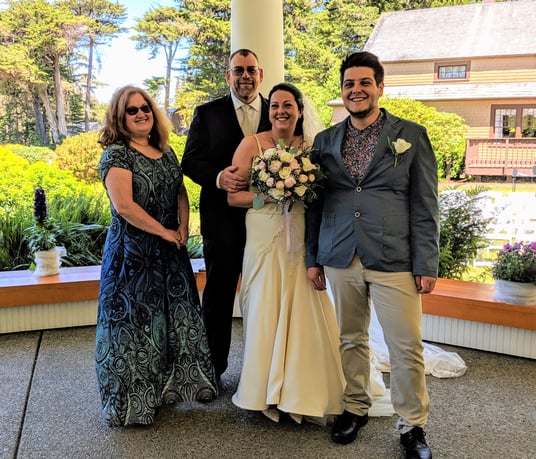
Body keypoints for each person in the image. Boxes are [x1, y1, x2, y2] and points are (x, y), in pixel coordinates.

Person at [305, 51, 439, 459]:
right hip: (340, 253)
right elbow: (314, 203)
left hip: (395, 255)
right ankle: (355, 407)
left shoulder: (410, 136)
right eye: (349, 84)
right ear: (342, 91)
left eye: (365, 82)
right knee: (350, 338)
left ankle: (412, 426)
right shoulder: (324, 142)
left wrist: (425, 263)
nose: (357, 90)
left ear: (380, 87)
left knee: (406, 345)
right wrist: (313, 257)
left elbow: (426, 204)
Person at [95, 85, 217, 427]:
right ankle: (133, 404)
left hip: (170, 253)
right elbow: (124, 207)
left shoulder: (164, 150)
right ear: (120, 118)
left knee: (171, 323)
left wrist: (181, 225)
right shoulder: (117, 155)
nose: (140, 114)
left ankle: (167, 390)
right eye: (131, 110)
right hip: (133, 257)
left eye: (145, 108)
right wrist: (163, 232)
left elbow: (179, 189)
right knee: (135, 329)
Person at [227, 82, 346, 423]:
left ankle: (299, 390)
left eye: (288, 105)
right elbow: (233, 196)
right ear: (269, 111)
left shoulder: (312, 147)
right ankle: (263, 389)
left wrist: (297, 189)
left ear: (299, 110)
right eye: (275, 105)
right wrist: (269, 196)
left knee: (302, 305)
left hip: (299, 232)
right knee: (264, 304)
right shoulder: (251, 144)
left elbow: (322, 197)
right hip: (263, 231)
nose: (281, 111)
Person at [181, 49, 271, 380]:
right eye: (238, 70)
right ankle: (212, 370)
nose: (245, 76)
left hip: (267, 222)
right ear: (228, 76)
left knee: (267, 295)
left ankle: (264, 372)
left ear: (260, 75)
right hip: (221, 223)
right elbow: (189, 161)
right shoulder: (207, 113)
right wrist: (220, 177)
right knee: (218, 297)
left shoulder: (276, 111)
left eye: (250, 70)